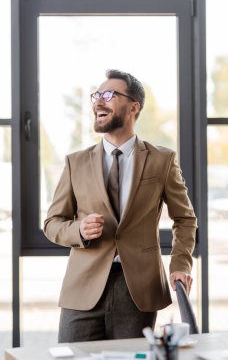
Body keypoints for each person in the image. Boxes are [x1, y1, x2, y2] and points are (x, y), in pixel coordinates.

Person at [44, 69, 197, 343]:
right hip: (83, 287)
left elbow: (185, 219)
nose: (98, 102)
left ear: (133, 107)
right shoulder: (74, 163)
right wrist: (78, 230)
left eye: (108, 95)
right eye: (96, 95)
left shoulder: (162, 160)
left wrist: (181, 263)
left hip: (137, 289)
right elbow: (53, 223)